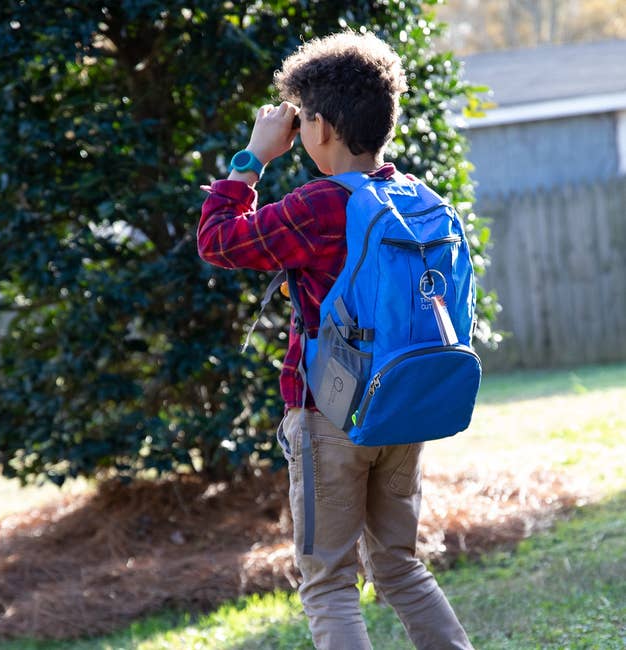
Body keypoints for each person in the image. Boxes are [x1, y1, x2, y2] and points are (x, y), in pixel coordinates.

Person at [197, 30, 473, 650]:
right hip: (405, 408)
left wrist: (253, 158)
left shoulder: (321, 206)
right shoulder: (419, 199)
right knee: (400, 565)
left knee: (327, 581)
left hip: (330, 416)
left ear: (316, 128)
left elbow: (217, 239)